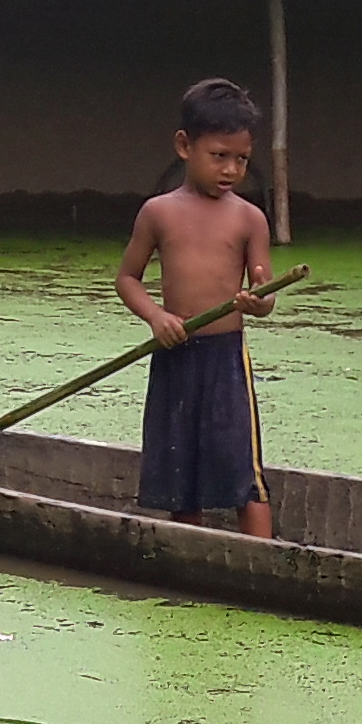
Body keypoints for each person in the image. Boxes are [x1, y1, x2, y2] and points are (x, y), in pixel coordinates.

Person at [117, 77, 278, 537]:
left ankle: (262, 559)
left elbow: (265, 294)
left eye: (241, 159)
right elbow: (127, 278)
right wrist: (156, 316)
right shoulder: (158, 212)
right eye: (219, 156)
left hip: (226, 359)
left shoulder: (249, 218)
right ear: (185, 146)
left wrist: (257, 302)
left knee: (242, 467)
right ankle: (192, 549)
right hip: (175, 355)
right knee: (178, 467)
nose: (230, 170)